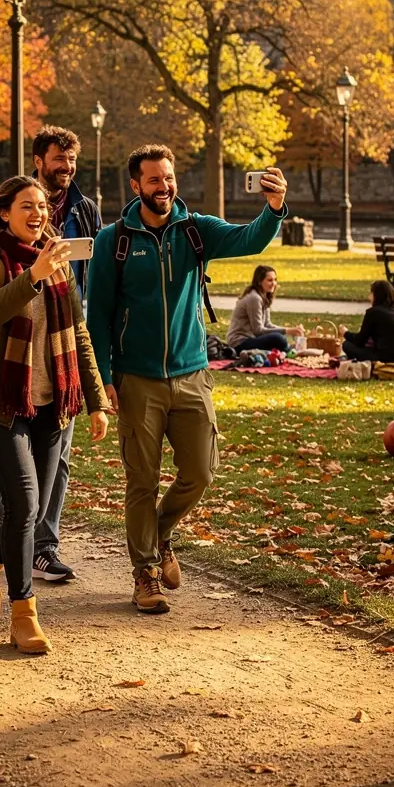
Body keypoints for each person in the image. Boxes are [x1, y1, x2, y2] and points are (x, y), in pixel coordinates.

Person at [86, 145, 288, 615]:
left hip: (192, 373)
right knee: (142, 479)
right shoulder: (112, 241)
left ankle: (159, 533)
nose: (165, 187)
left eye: (169, 178)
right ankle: (145, 573)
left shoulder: (196, 230)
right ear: (135, 186)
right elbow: (96, 317)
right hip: (136, 379)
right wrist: (104, 379)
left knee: (200, 471)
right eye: (154, 181)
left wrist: (274, 209)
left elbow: (249, 240)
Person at [0, 176, 110, 654]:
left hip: (49, 401)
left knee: (36, 509)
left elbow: (78, 334)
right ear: (5, 213)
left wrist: (97, 399)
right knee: (23, 503)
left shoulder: (56, 263)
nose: (38, 213)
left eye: (43, 206)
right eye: (27, 205)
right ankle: (24, 614)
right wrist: (34, 275)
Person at [0, 125, 101, 584]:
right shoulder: (21, 204)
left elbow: (93, 272)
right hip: (20, 344)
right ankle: (6, 536)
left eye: (72, 159)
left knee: (60, 455)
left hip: (65, 341)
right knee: (14, 459)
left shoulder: (84, 209)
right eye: (59, 159)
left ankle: (44, 544)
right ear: (39, 159)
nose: (67, 167)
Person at [338, 279, 394, 365]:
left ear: (376, 295)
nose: (369, 297)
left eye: (371, 293)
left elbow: (359, 341)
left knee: (347, 345)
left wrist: (345, 333)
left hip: (389, 359)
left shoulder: (373, 312)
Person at [225, 265, 304, 353]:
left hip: (252, 339)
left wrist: (290, 329)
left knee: (278, 338)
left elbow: (267, 324)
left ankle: (289, 350)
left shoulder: (264, 296)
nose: (274, 283)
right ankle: (291, 351)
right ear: (259, 281)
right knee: (279, 339)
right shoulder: (254, 298)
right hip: (239, 342)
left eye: (275, 280)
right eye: (270, 280)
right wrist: (287, 331)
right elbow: (258, 331)